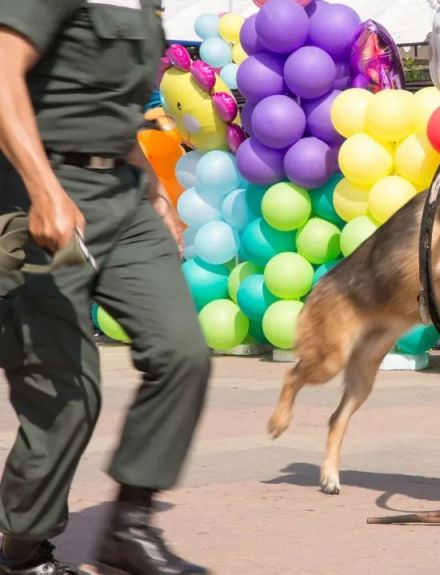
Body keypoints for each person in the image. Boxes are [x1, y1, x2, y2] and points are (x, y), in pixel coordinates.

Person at [0, 1, 210, 573]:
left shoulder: (144, 5)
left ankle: (129, 527)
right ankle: (22, 547)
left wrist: (152, 191)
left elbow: (107, 112)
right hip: (37, 195)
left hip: (122, 195)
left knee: (182, 352)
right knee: (66, 395)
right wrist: (45, 191)